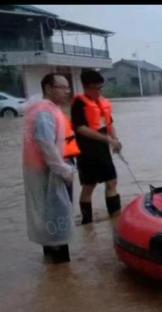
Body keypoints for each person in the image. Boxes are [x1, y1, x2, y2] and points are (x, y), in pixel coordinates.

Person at [23, 73, 76, 263]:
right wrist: (65, 171)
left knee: (48, 216)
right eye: (62, 87)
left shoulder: (40, 108)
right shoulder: (45, 113)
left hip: (43, 171)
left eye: (68, 87)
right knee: (57, 215)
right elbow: (46, 145)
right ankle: (62, 269)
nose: (67, 91)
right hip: (50, 172)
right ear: (48, 88)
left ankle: (53, 270)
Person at [71, 69, 122, 224]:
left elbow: (109, 123)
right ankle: (87, 223)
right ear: (87, 87)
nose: (100, 91)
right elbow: (80, 128)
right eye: (97, 88)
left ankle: (115, 219)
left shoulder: (101, 103)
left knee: (112, 182)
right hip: (86, 152)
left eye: (101, 87)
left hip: (103, 151)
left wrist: (115, 140)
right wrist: (107, 139)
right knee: (88, 186)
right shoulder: (79, 104)